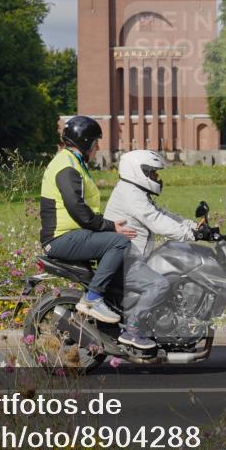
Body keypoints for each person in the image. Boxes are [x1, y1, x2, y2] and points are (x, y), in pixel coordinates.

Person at [40, 116, 136, 324]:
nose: (98, 147)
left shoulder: (72, 162)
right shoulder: (67, 167)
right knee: (119, 242)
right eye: (95, 142)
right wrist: (109, 226)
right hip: (60, 239)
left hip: (71, 235)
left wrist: (108, 226)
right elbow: (78, 209)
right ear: (85, 143)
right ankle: (93, 299)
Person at [104, 150, 198, 349]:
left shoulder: (134, 191)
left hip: (133, 257)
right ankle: (132, 330)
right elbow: (154, 220)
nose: (157, 177)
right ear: (139, 172)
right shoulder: (130, 194)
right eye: (153, 173)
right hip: (126, 261)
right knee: (159, 285)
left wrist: (192, 226)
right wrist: (189, 234)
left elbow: (160, 213)